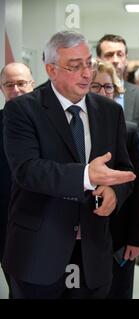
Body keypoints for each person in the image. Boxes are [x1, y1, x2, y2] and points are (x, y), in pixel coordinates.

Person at [2, 31, 136, 299]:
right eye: (75, 66)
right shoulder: (22, 110)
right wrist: (86, 175)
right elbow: (27, 170)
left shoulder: (110, 112)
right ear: (51, 69)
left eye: (89, 63)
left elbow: (123, 170)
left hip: (94, 252)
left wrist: (114, 193)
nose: (87, 74)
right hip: (38, 252)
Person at [90, 60, 139, 299]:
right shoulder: (70, 128)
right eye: (96, 86)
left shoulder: (128, 130)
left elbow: (137, 183)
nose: (103, 92)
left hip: (119, 235)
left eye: (109, 86)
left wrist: (137, 237)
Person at [0, 62, 35, 298]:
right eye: (9, 85)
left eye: (21, 83)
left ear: (32, 84)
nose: (16, 89)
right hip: (5, 224)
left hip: (45, 223)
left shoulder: (53, 122)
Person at [96, 34, 139, 131]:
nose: (115, 60)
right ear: (98, 59)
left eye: (120, 55)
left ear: (126, 59)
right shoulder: (88, 94)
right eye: (109, 55)